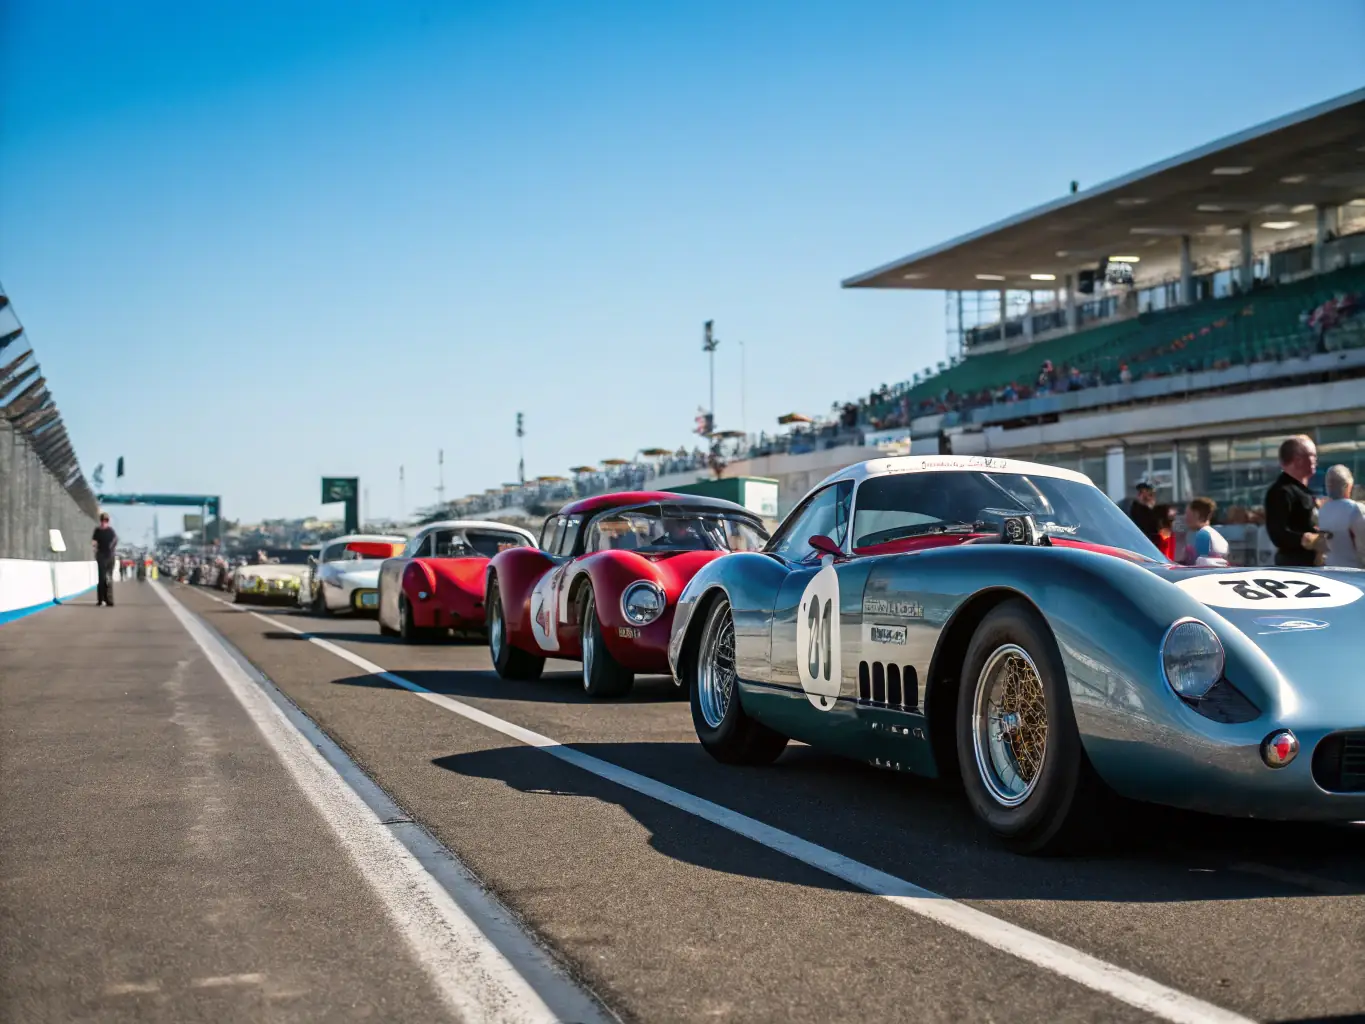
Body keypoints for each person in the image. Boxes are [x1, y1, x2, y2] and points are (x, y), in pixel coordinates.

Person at [1264, 435, 1325, 567]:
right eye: (1312, 455)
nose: (1315, 460)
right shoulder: (1281, 492)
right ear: (1297, 459)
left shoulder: (1303, 491)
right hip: (1295, 568)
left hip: (1313, 564)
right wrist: (1306, 539)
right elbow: (1278, 533)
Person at [1317, 464, 1365, 569]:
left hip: (1328, 569)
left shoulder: (1322, 510)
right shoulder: (1355, 509)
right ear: (1347, 486)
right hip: (1354, 570)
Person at [1180, 497, 1229, 565]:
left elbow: (1200, 568)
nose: (1185, 518)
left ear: (1196, 514)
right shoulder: (1214, 535)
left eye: (1187, 514)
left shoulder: (1203, 536)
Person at [91, 512, 118, 607]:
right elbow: (94, 541)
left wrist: (112, 549)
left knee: (108, 578)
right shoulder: (97, 531)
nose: (104, 522)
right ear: (100, 521)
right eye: (102, 520)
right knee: (101, 578)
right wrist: (95, 549)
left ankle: (109, 599)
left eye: (106, 521)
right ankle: (100, 599)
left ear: (108, 521)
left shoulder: (111, 531)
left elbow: (115, 541)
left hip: (110, 556)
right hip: (101, 556)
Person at [1127, 482, 1164, 549]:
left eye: (1151, 495)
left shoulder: (1154, 511)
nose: (1148, 497)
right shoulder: (1137, 510)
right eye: (1141, 493)